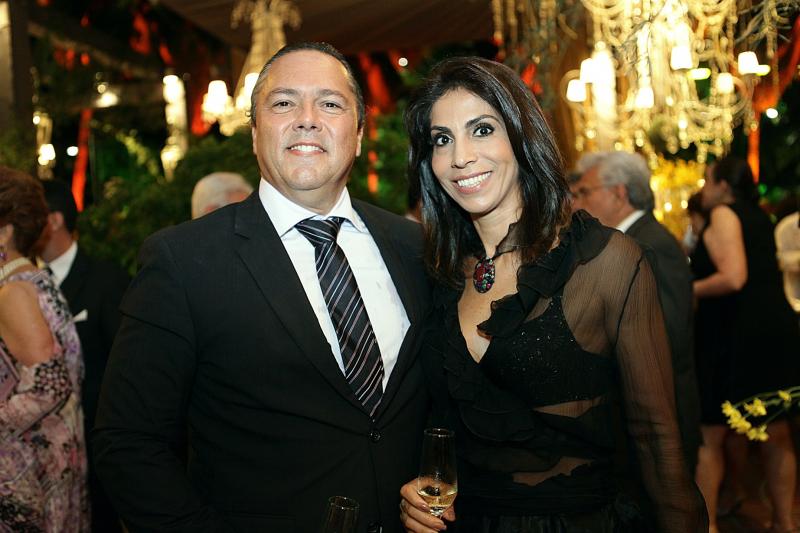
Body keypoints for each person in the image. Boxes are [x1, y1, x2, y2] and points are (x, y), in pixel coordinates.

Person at [92, 42, 430, 533]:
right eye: (284, 102)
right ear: (254, 133)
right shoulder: (183, 261)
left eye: (330, 103)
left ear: (358, 135)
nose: (307, 119)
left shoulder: (415, 247)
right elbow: (127, 442)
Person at [399, 57, 706, 532]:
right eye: (442, 139)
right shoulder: (439, 272)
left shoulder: (604, 262)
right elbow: (437, 423)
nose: (460, 156)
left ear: (521, 136)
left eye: (482, 130)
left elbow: (655, 436)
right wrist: (419, 489)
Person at [572, 151, 702, 474]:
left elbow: (667, 333)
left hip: (658, 420)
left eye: (584, 192)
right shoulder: (629, 242)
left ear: (619, 194)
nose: (575, 203)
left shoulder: (649, 244)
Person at [692, 156, 799, 533]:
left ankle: (707, 526)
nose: (704, 189)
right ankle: (784, 522)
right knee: (776, 432)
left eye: (708, 181)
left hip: (735, 336)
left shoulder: (723, 213)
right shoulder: (759, 215)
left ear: (723, 186)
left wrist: (688, 289)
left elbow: (734, 277)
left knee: (710, 434)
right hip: (773, 330)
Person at [38, 179, 130, 532]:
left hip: (95, 444)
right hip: (41, 451)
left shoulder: (107, 279)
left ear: (55, 220)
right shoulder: (23, 284)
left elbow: (125, 365)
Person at [0, 167, 89, 531]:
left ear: (5, 232)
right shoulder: (36, 281)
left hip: (28, 476)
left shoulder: (14, 293)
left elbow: (49, 386)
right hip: (49, 466)